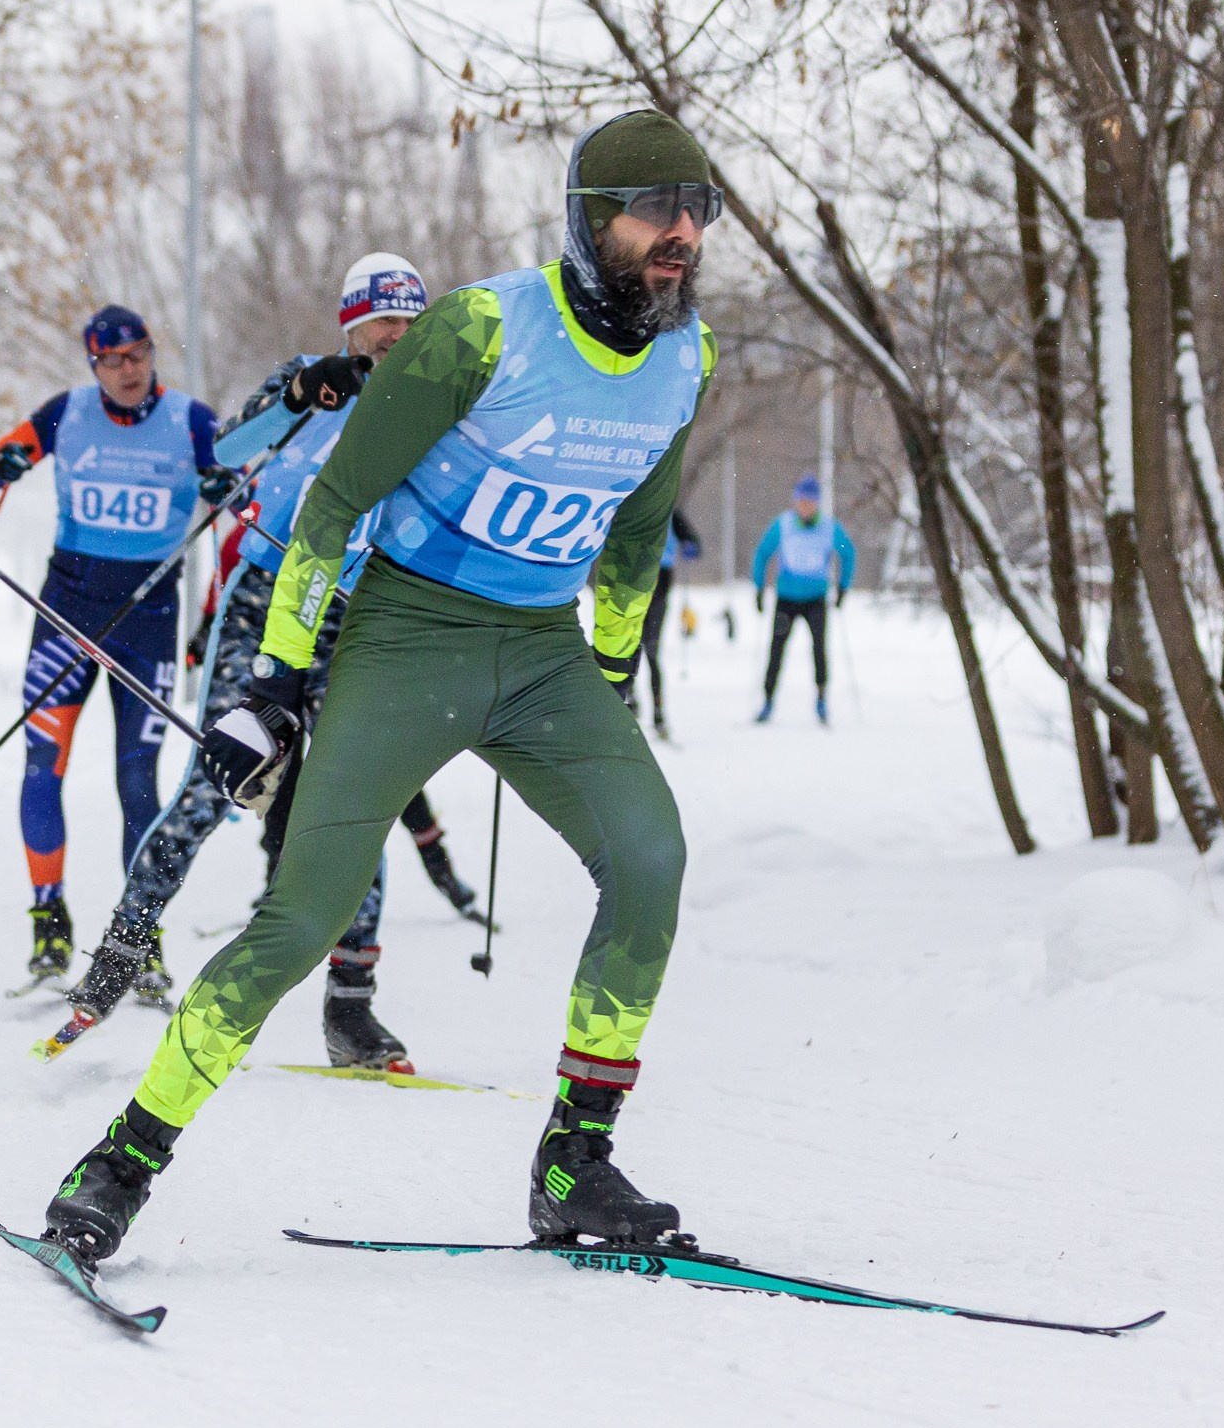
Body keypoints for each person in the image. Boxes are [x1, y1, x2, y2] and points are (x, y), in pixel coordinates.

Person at [36, 107, 720, 1264]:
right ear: (589, 220)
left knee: (651, 861)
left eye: (698, 212)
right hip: (406, 640)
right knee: (300, 916)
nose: (682, 233)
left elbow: (635, 537)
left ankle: (574, 1164)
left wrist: (606, 670)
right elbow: (333, 504)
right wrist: (274, 683)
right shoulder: (478, 331)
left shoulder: (684, 360)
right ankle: (123, 1159)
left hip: (543, 655)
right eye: (656, 210)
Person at [62, 254, 464, 1072]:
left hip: (360, 615)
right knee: (213, 783)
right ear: (351, 327)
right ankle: (116, 960)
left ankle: (351, 1013)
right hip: (267, 598)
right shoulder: (311, 384)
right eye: (378, 323)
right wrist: (298, 391)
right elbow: (227, 450)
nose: (393, 336)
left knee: (358, 804)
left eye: (407, 322)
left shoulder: (439, 407)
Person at [0, 306, 223, 981]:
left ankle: (140, 935)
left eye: (136, 355)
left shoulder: (192, 422)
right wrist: (5, 461)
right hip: (66, 616)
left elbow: (247, 491)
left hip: (147, 622)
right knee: (41, 764)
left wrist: (229, 487)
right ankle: (49, 926)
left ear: (151, 354)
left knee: (138, 784)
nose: (126, 370)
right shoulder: (67, 414)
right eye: (111, 361)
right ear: (93, 366)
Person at [751, 473, 854, 724]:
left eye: (809, 502)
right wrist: (759, 587)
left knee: (819, 649)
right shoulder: (783, 525)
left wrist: (843, 587)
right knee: (776, 650)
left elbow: (848, 554)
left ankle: (821, 699)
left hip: (815, 599)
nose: (805, 507)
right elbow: (762, 554)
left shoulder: (829, 528)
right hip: (786, 598)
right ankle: (768, 699)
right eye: (801, 501)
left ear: (817, 503)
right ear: (795, 502)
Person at [639, 506, 704, 738]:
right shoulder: (632, 505)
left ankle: (658, 714)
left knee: (651, 651)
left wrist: (691, 547)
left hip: (659, 588)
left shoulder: (670, 512)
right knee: (627, 648)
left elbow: (694, 542)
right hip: (632, 584)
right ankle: (628, 701)